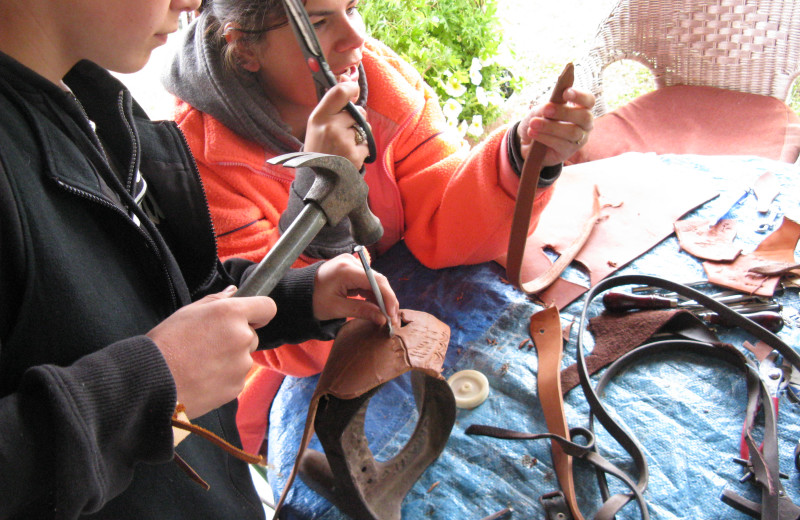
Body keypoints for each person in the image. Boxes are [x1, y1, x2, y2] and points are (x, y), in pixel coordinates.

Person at [0, 0, 400, 518]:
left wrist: (298, 296)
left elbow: (170, 297)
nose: (192, 3)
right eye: (320, 20)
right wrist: (152, 386)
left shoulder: (92, 102)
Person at [162, 0, 596, 453]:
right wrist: (321, 202)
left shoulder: (379, 80)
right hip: (295, 381)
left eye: (352, 7)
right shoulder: (196, 161)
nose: (355, 39)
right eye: (318, 23)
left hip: (410, 303)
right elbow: (279, 340)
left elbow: (446, 226)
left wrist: (521, 158)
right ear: (245, 49)